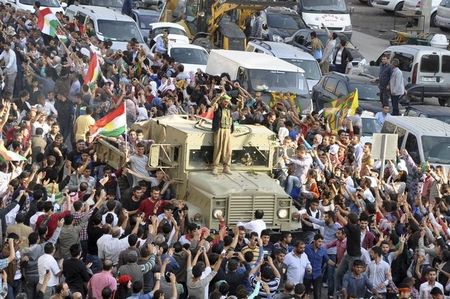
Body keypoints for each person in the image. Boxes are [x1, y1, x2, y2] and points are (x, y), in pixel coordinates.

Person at [211, 94, 237, 175]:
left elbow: (239, 107)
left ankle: (226, 167)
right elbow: (212, 103)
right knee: (218, 148)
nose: (226, 103)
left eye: (228, 101)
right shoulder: (217, 107)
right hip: (219, 130)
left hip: (228, 130)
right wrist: (218, 96)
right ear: (221, 101)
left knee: (228, 149)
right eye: (225, 101)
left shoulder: (230, 108)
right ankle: (215, 166)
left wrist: (241, 102)